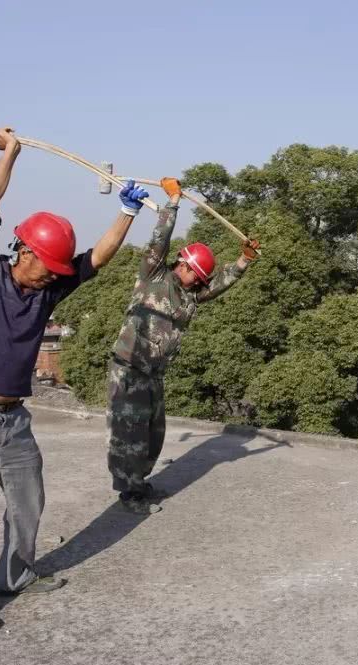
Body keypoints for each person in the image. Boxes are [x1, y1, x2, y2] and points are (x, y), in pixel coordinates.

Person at [0, 127, 150, 637]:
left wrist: (128, 212)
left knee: (28, 499)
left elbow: (97, 257)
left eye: (57, 272)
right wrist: (11, 153)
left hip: (13, 419)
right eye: (44, 267)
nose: (51, 277)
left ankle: (16, 574)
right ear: (22, 250)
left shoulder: (47, 294)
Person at [107, 177, 260, 514]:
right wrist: (173, 203)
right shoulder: (154, 275)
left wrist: (244, 261)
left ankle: (140, 483)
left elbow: (219, 283)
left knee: (153, 434)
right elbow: (158, 240)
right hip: (129, 368)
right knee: (129, 434)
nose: (200, 283)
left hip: (154, 374)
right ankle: (129, 493)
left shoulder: (191, 295)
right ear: (184, 265)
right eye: (197, 276)